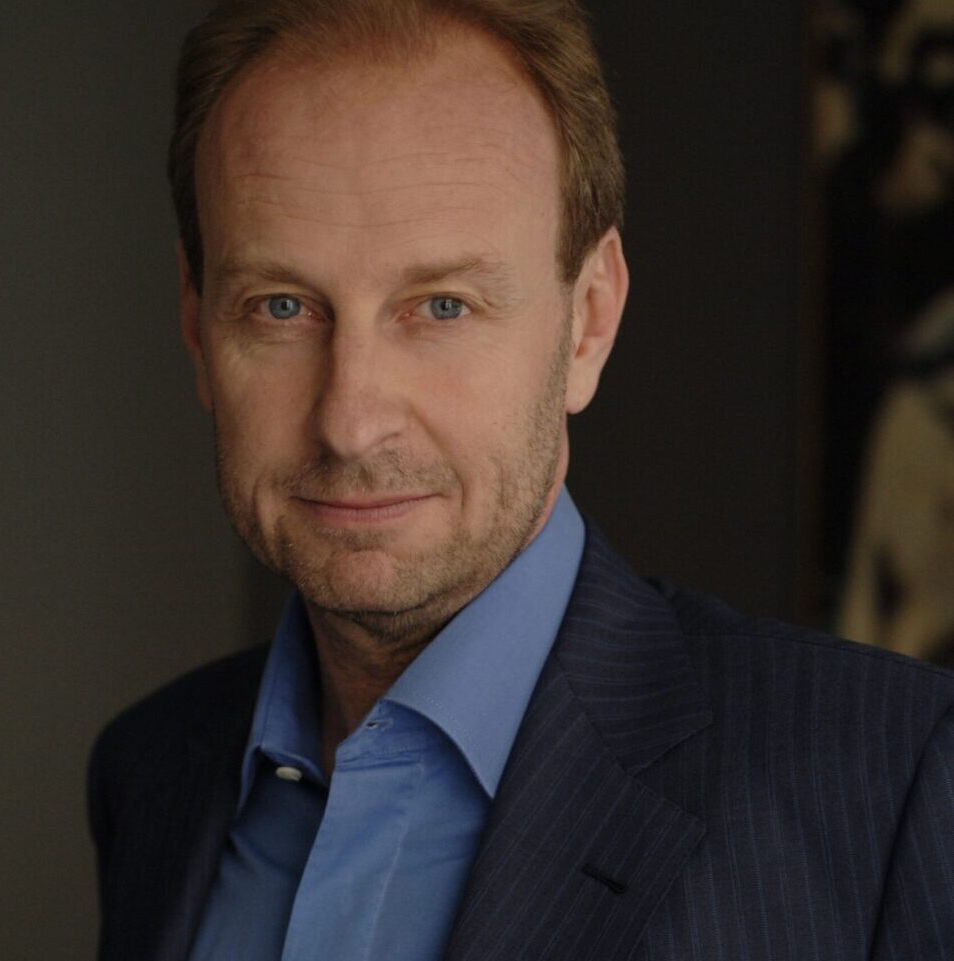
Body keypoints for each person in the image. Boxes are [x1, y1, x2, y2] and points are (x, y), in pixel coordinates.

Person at [88, 2, 954, 959]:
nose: (350, 417)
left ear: (587, 322)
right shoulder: (149, 771)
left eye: (442, 306)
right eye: (281, 306)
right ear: (196, 323)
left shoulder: (889, 780)